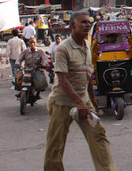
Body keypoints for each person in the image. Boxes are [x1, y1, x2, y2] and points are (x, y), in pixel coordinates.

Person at [44, 11, 115, 171]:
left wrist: (93, 101)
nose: (87, 25)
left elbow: (88, 74)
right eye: (83, 22)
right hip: (61, 102)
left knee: (98, 135)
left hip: (83, 100)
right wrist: (78, 102)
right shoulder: (63, 49)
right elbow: (62, 79)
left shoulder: (88, 45)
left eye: (88, 22)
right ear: (72, 26)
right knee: (55, 146)